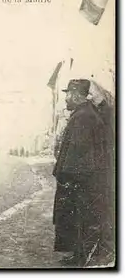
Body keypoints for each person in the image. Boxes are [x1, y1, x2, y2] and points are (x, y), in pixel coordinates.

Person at [52, 79, 111, 267]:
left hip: (79, 180)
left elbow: (78, 152)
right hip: (84, 179)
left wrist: (68, 179)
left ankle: (80, 258)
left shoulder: (83, 117)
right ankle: (79, 255)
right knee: (80, 218)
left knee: (79, 218)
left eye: (67, 94)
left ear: (76, 95)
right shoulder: (84, 114)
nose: (65, 99)